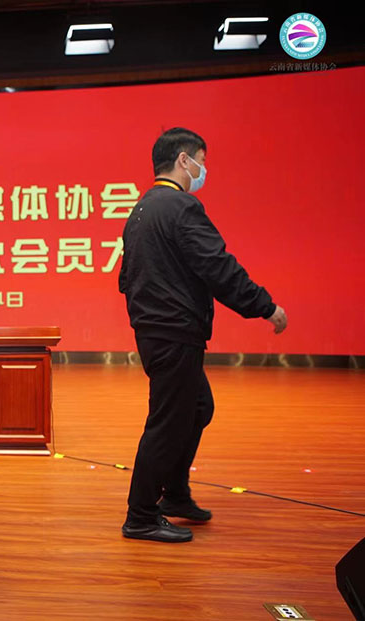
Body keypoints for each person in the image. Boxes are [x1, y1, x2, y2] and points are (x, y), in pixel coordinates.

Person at [118, 127, 288, 543]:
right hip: (173, 331)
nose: (204, 169)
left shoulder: (142, 209)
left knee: (197, 407)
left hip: (157, 329)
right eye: (202, 160)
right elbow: (218, 266)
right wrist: (265, 306)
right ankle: (140, 515)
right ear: (183, 160)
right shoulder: (181, 206)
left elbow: (126, 278)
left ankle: (175, 494)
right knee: (168, 421)